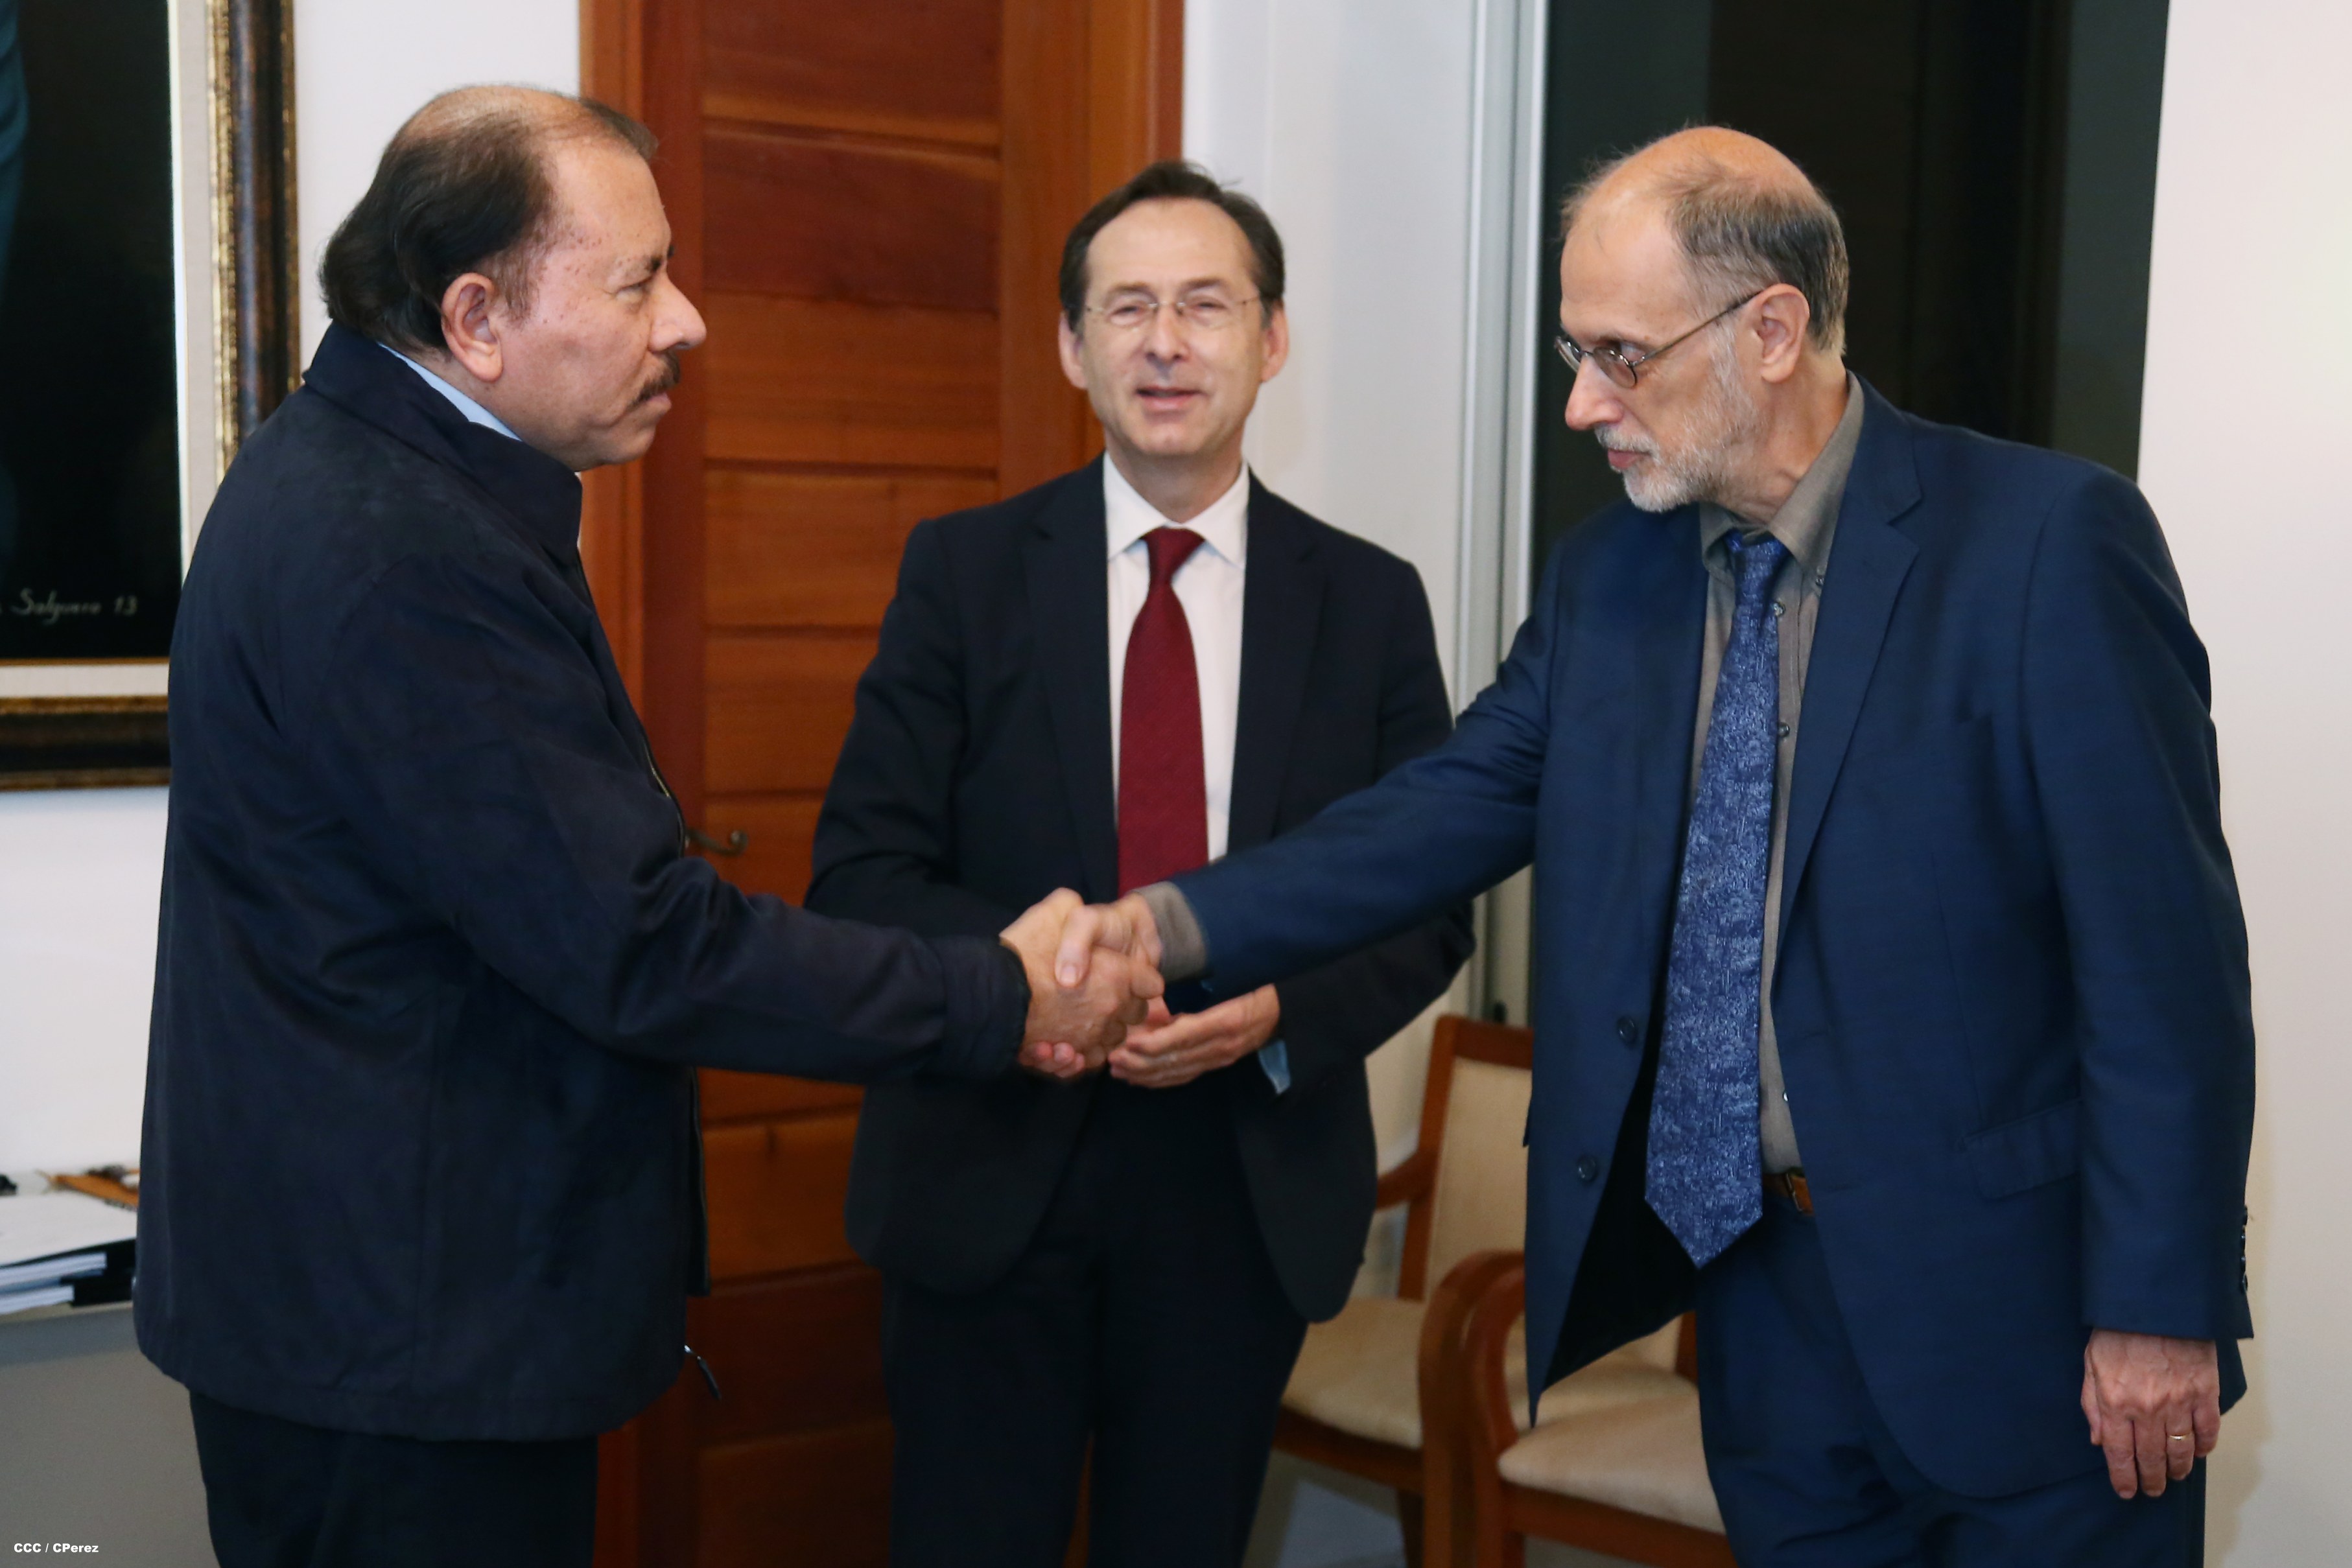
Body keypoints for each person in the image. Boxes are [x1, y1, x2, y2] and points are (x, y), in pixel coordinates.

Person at [1059, 127, 2255, 1564]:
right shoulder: (1610, 579)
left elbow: (2161, 966)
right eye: (1576, 352)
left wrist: (2158, 1301)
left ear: (1771, 332)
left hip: (2029, 1325)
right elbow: (1432, 814)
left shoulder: (2043, 542)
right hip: (1763, 1314)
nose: (1581, 403)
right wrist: (1163, 925)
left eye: (1620, 356)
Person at [137, 87, 1156, 1568]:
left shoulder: (386, 476)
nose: (686, 322)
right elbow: (636, 943)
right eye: (637, 282)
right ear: (476, 316)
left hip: (384, 1319)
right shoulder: (397, 542)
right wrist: (999, 993)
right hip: (401, 1355)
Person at [803, 161, 1473, 1568]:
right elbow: (863, 873)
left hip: (1240, 1187)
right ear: (1072, 346)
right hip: (991, 1165)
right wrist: (1048, 983)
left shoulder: (1366, 602)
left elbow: (1427, 900)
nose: (1165, 342)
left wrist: (1282, 1007)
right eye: (1126, 308)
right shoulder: (963, 574)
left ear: (1271, 340)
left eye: (1205, 306)